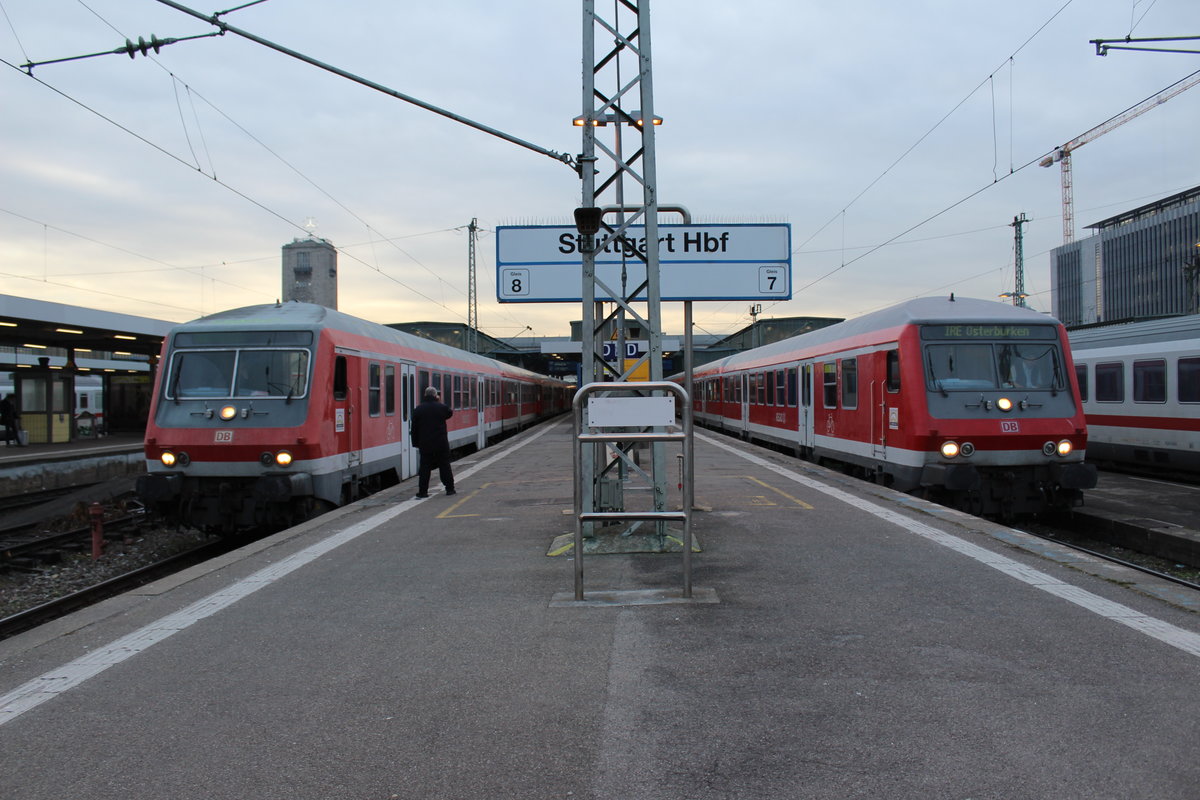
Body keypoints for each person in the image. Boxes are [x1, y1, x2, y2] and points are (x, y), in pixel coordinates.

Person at [410, 386, 455, 498]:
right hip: (441, 443)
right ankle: (450, 489)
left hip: (425, 444)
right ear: (436, 396)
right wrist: (438, 401)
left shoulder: (418, 409)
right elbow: (449, 413)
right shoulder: (442, 407)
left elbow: (414, 429)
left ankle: (423, 492)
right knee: (445, 466)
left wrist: (416, 443)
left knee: (424, 469)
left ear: (425, 395)